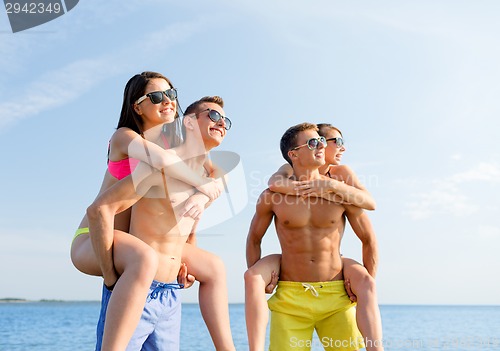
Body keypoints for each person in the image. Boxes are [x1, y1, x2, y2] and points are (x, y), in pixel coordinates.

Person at [70, 71, 233, 350]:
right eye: (157, 96)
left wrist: (205, 195)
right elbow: (165, 164)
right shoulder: (127, 138)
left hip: (142, 260)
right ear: (137, 106)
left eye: (172, 94)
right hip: (96, 236)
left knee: (214, 266)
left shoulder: (175, 152)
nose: (169, 101)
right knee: (145, 258)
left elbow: (215, 176)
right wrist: (111, 280)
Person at [244, 123, 383, 351]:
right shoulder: (273, 196)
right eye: (313, 142)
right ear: (294, 154)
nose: (320, 146)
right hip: (290, 299)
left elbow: (368, 239)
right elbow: (254, 239)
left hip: (336, 296)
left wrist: (362, 288)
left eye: (321, 141)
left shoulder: (340, 192)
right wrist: (266, 282)